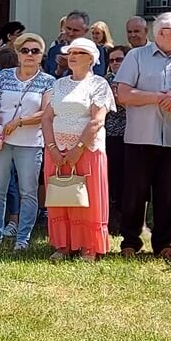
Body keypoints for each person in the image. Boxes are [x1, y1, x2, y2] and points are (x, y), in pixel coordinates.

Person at [113, 12, 171, 258]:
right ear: (161, 32)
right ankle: (130, 242)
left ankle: (164, 244)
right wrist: (158, 97)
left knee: (168, 194)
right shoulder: (136, 56)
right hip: (140, 136)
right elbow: (123, 95)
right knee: (134, 193)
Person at [0, 32, 52, 251]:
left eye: (35, 51)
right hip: (0, 140)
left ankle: (23, 238)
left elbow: (46, 112)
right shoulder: (4, 76)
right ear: (17, 53)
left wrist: (20, 121)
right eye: (25, 50)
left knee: (28, 191)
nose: (30, 54)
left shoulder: (48, 81)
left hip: (30, 142)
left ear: (41, 55)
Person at [42, 38, 115, 261]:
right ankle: (64, 245)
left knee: (86, 198)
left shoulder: (99, 84)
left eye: (79, 53)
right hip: (57, 150)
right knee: (61, 196)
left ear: (91, 58)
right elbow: (47, 117)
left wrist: (78, 149)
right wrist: (52, 147)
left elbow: (97, 120)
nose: (72, 56)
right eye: (70, 52)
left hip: (88, 150)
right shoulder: (59, 84)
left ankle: (88, 246)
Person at [102, 45, 129, 236]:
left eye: (119, 59)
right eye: (111, 60)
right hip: (110, 135)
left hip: (131, 134)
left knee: (127, 179)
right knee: (111, 178)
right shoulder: (105, 81)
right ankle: (112, 219)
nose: (114, 63)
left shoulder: (134, 79)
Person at [49, 13, 89, 79]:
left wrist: (71, 65)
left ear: (85, 31)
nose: (71, 33)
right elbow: (49, 79)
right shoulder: (54, 50)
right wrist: (59, 70)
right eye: (68, 28)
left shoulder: (94, 51)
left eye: (75, 30)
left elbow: (97, 75)